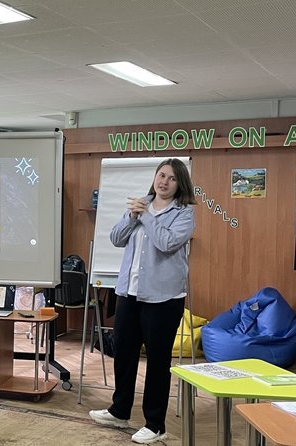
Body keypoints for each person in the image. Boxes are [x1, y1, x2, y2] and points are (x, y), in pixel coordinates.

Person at [89, 158, 196, 444]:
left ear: (180, 184)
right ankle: (120, 411)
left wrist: (146, 215)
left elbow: (166, 243)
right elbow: (116, 238)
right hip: (129, 292)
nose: (164, 182)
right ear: (155, 177)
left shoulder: (184, 213)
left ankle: (155, 425)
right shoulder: (140, 206)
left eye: (171, 178)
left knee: (158, 361)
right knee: (124, 353)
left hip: (163, 298)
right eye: (161, 175)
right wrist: (133, 216)